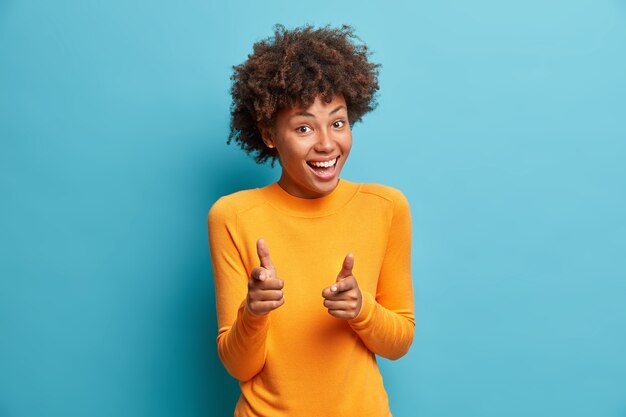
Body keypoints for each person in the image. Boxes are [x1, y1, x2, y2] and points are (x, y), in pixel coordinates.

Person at [208, 24, 415, 417]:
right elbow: (239, 366)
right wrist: (253, 313)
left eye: (337, 122)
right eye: (304, 127)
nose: (325, 143)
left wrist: (362, 309)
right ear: (269, 133)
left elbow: (399, 342)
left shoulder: (386, 207)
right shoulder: (232, 216)